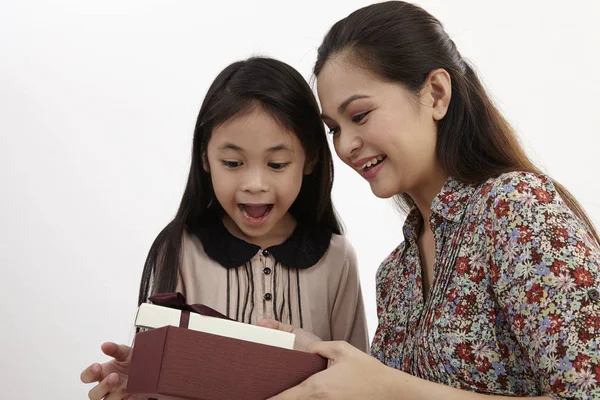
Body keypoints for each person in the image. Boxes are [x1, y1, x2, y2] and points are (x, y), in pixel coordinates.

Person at [260, 2, 600, 399]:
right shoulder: (395, 275)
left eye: (361, 115)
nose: (346, 145)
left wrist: (387, 388)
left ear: (437, 94)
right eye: (334, 128)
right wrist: (323, 361)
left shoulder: (514, 209)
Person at [80, 56, 369, 400]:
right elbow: (162, 381)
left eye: (277, 164)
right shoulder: (181, 250)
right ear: (205, 158)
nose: (255, 183)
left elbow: (359, 381)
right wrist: (136, 389)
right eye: (232, 163)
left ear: (310, 160)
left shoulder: (337, 259)